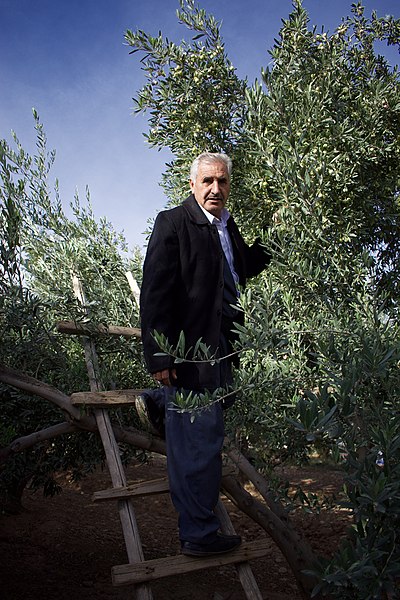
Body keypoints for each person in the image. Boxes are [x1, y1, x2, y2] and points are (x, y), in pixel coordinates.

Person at [138, 152, 270, 557]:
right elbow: (155, 292)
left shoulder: (227, 228)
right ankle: (198, 534)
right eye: (208, 181)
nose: (216, 189)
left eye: (223, 182)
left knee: (209, 421)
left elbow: (242, 267)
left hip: (223, 349)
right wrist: (161, 358)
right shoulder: (174, 223)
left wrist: (281, 236)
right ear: (193, 185)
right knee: (199, 442)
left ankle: (157, 403)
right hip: (190, 353)